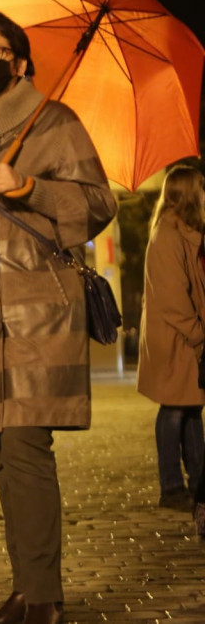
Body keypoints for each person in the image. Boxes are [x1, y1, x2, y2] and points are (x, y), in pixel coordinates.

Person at [0, 12, 116, 624]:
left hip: (38, 316)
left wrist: (28, 185)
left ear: (21, 62)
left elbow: (99, 203)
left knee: (28, 451)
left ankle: (43, 601)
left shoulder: (55, 124)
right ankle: (27, 587)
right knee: (4, 458)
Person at [136, 167, 205, 513]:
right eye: (201, 188)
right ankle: (172, 485)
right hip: (176, 339)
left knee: (191, 408)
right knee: (175, 409)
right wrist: (198, 335)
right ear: (188, 193)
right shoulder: (168, 234)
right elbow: (174, 298)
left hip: (184, 337)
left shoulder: (186, 231)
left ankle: (198, 480)